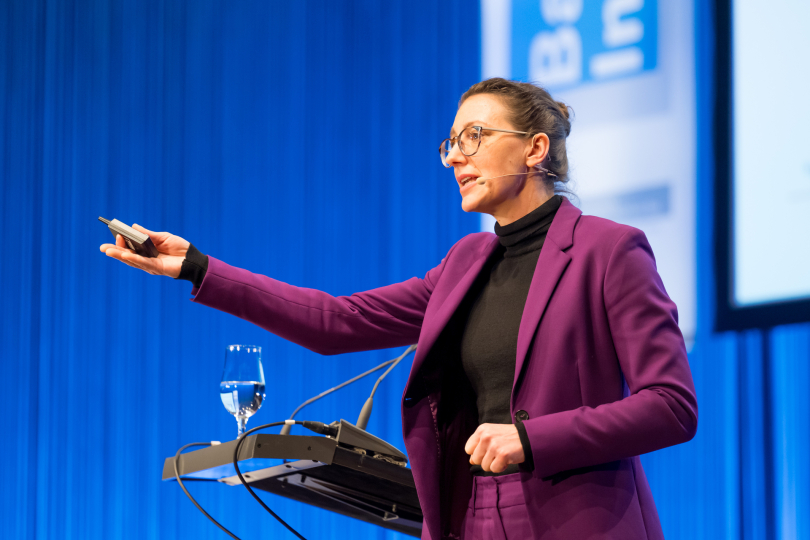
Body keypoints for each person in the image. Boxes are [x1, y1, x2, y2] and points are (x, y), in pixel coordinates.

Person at [101, 78, 697, 540]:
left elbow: (672, 406)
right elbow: (336, 322)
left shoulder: (608, 250)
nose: (454, 157)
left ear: (535, 148)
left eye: (474, 137)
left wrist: (531, 438)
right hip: (469, 513)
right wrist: (199, 268)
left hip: (578, 519)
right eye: (451, 143)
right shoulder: (465, 262)